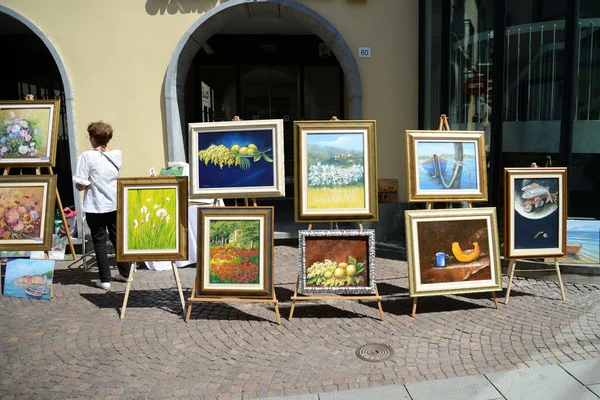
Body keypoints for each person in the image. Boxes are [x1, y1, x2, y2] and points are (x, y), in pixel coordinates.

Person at [73, 121, 131, 290]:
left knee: (99, 241)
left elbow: (81, 185)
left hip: (95, 205)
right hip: (114, 202)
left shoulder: (86, 156)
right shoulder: (117, 154)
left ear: (93, 138)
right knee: (117, 238)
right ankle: (125, 273)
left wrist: (86, 182)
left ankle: (104, 279)